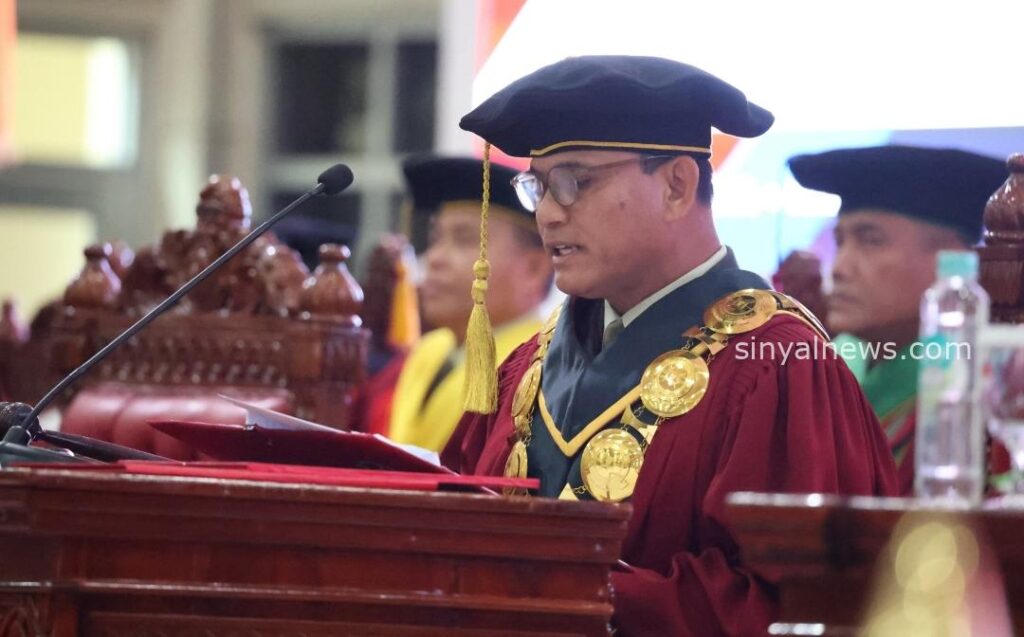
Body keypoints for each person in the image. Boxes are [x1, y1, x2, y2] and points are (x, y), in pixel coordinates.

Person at [441, 55, 899, 636]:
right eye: (538, 187)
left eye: (575, 181)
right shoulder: (528, 366)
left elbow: (800, 602)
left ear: (678, 186)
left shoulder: (778, 364)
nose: (549, 214)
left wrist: (558, 589)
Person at [788, 145, 1007, 494]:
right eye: (840, 242)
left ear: (953, 259)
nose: (839, 267)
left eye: (870, 241)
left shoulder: (993, 402)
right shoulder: (819, 375)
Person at [358, 155, 553, 452]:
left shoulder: (543, 368)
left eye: (464, 240)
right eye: (435, 239)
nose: (434, 258)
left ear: (534, 269)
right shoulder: (425, 354)